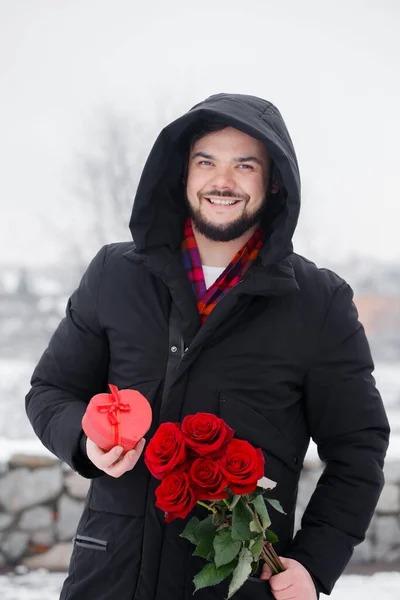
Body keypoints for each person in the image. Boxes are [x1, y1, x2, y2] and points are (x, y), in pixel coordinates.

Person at [25, 93, 390, 600]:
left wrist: (313, 562)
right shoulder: (115, 275)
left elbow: (359, 446)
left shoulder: (318, 302)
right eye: (206, 162)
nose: (223, 180)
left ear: (273, 181)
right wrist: (84, 443)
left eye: (245, 165)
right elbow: (50, 390)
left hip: (237, 589)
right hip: (106, 579)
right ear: (183, 174)